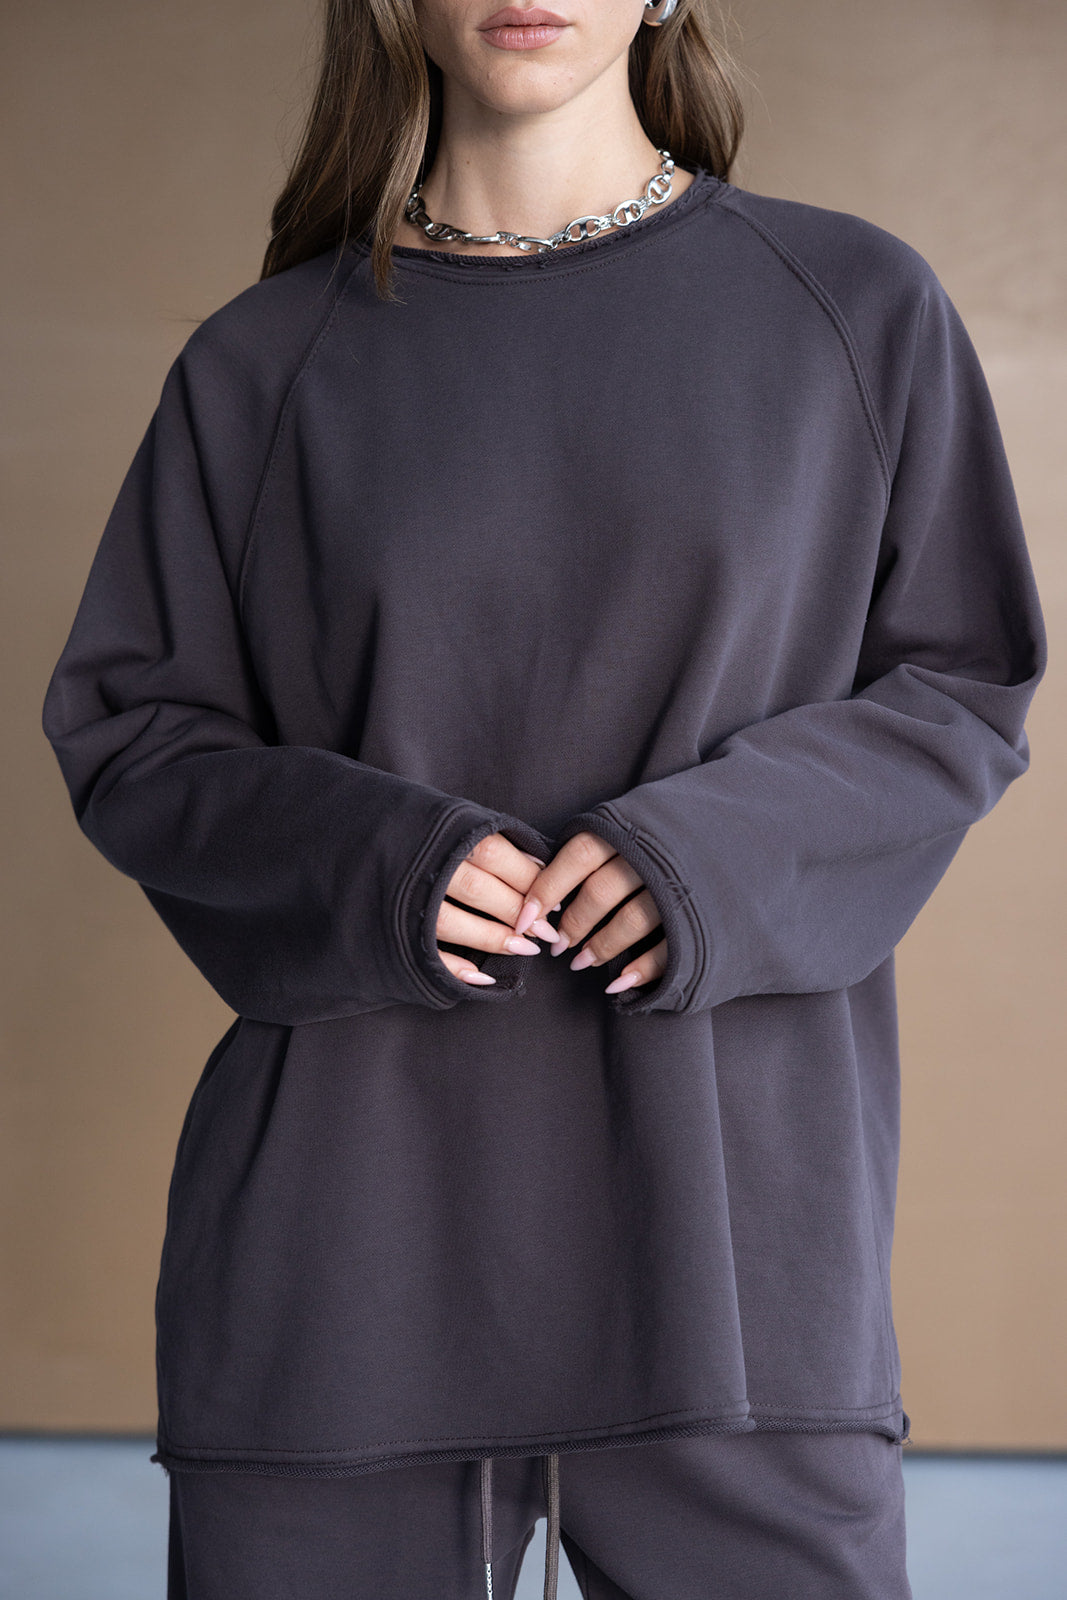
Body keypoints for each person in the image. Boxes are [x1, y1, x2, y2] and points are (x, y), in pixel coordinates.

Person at [40, 1, 1047, 1596]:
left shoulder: (854, 310)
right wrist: (380, 864)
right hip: (346, 1258)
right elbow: (135, 732)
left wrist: (708, 857)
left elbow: (961, 685)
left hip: (737, 1261)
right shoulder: (261, 363)